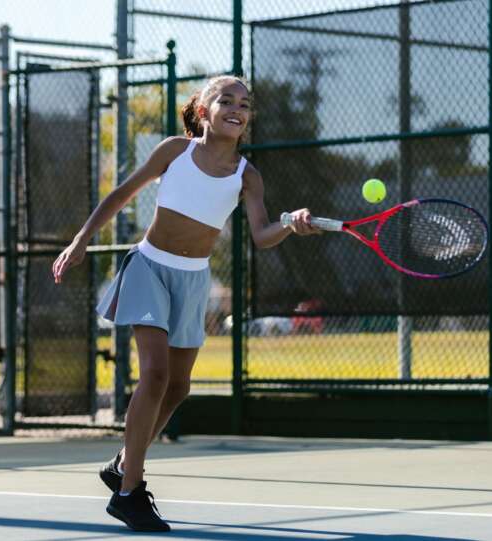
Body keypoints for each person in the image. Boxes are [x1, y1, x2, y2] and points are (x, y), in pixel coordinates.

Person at [51, 75, 319, 532]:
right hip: (149, 268)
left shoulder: (247, 175)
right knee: (155, 375)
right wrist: (81, 240)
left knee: (178, 387)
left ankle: (124, 463)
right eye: (226, 100)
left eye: (244, 104)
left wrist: (291, 224)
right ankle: (130, 493)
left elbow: (262, 235)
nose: (236, 109)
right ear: (202, 111)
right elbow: (122, 193)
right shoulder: (175, 150)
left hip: (193, 280)